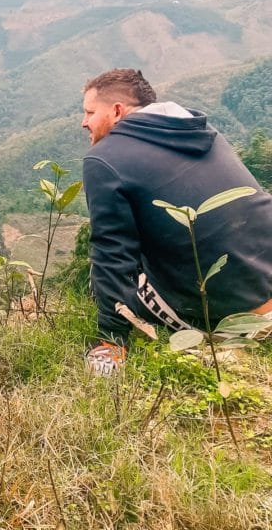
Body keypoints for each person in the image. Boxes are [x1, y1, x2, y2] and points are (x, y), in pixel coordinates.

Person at [80, 68, 272, 374]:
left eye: (90, 112)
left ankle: (114, 350)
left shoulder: (104, 158)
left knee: (107, 269)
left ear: (117, 111)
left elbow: (112, 255)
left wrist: (111, 340)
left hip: (232, 315)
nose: (84, 122)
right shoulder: (204, 132)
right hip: (265, 280)